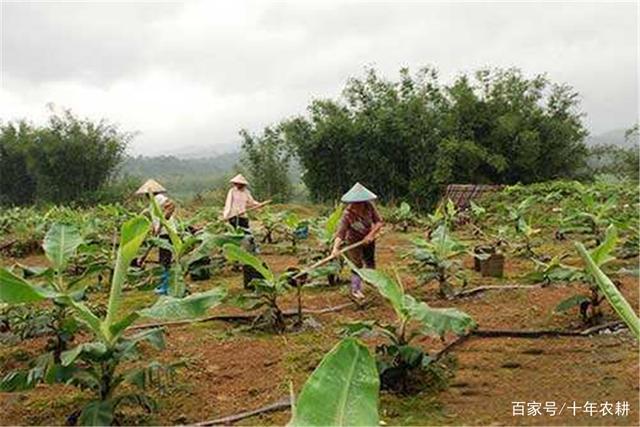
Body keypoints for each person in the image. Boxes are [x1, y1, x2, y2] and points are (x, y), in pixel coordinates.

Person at [331, 182, 384, 299]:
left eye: (361, 203)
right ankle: (356, 289)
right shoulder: (347, 215)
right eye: (356, 203)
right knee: (356, 265)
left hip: (369, 239)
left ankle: (372, 281)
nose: (359, 205)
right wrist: (335, 248)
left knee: (370, 261)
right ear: (352, 203)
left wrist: (370, 235)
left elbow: (379, 222)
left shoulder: (369, 206)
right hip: (353, 241)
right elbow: (341, 233)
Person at [135, 179, 176, 295]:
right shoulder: (152, 203)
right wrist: (154, 228)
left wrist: (165, 218)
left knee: (165, 260)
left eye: (146, 194)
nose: (146, 196)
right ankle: (163, 283)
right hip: (161, 233)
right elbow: (155, 218)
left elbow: (171, 205)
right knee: (162, 260)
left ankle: (166, 286)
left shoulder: (159, 198)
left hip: (167, 233)